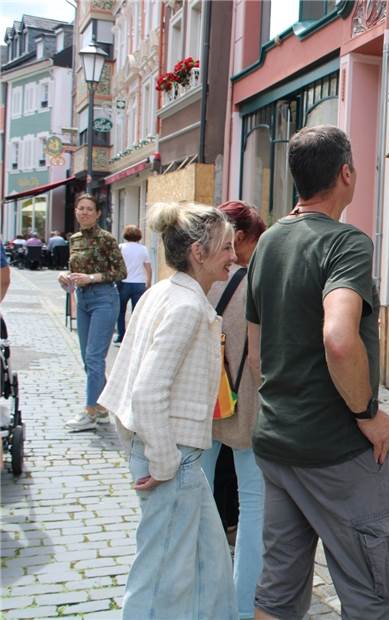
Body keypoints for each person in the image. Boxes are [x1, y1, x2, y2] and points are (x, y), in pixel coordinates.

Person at [246, 125, 389, 620]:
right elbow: (339, 339)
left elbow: (257, 354)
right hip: (336, 451)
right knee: (375, 593)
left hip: (278, 442)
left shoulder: (269, 240)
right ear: (345, 174)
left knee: (278, 590)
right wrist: (367, 413)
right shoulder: (346, 243)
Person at [97, 202, 238, 620]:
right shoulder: (185, 306)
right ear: (199, 252)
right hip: (172, 457)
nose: (233, 255)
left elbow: (123, 382)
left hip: (175, 457)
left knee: (210, 567)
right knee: (161, 579)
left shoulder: (165, 292)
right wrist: (160, 462)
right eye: (226, 247)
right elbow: (145, 390)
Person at [200, 200, 267, 619]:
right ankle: (243, 609)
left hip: (201, 408)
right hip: (246, 409)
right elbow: (261, 359)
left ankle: (202, 598)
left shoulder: (196, 280)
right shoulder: (257, 284)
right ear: (239, 239)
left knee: (199, 503)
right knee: (254, 508)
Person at [59, 194, 126, 432]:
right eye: (81, 208)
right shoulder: (74, 239)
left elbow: (121, 271)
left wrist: (92, 278)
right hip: (83, 298)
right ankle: (103, 407)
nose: (84, 212)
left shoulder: (106, 238)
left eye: (89, 209)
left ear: (98, 213)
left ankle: (89, 412)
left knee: (95, 358)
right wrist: (65, 278)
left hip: (104, 298)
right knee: (89, 360)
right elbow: (74, 270)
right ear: (76, 211)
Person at [114, 225, 151, 345]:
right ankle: (135, 336)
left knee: (121, 311)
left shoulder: (120, 247)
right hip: (139, 283)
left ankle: (121, 335)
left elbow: (116, 265)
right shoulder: (143, 249)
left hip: (123, 282)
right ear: (138, 236)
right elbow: (148, 267)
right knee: (137, 311)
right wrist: (149, 281)